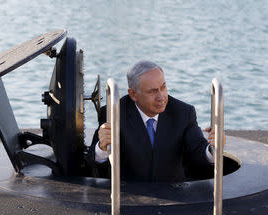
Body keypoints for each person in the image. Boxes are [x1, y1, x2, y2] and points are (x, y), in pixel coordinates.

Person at [90, 60, 224, 182]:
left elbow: (198, 151)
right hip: (128, 196)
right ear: (133, 94)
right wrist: (102, 147)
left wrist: (213, 148)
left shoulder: (183, 112)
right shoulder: (112, 113)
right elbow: (92, 163)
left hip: (173, 195)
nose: (161, 97)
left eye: (163, 87)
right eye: (153, 91)